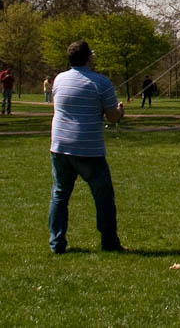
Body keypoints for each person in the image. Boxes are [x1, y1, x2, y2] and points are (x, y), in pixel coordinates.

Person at [48, 40, 126, 254]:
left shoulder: (59, 79)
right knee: (103, 197)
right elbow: (112, 116)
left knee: (60, 194)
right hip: (88, 149)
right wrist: (120, 112)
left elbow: (59, 106)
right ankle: (109, 243)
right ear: (89, 58)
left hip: (59, 145)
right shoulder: (101, 82)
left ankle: (56, 244)